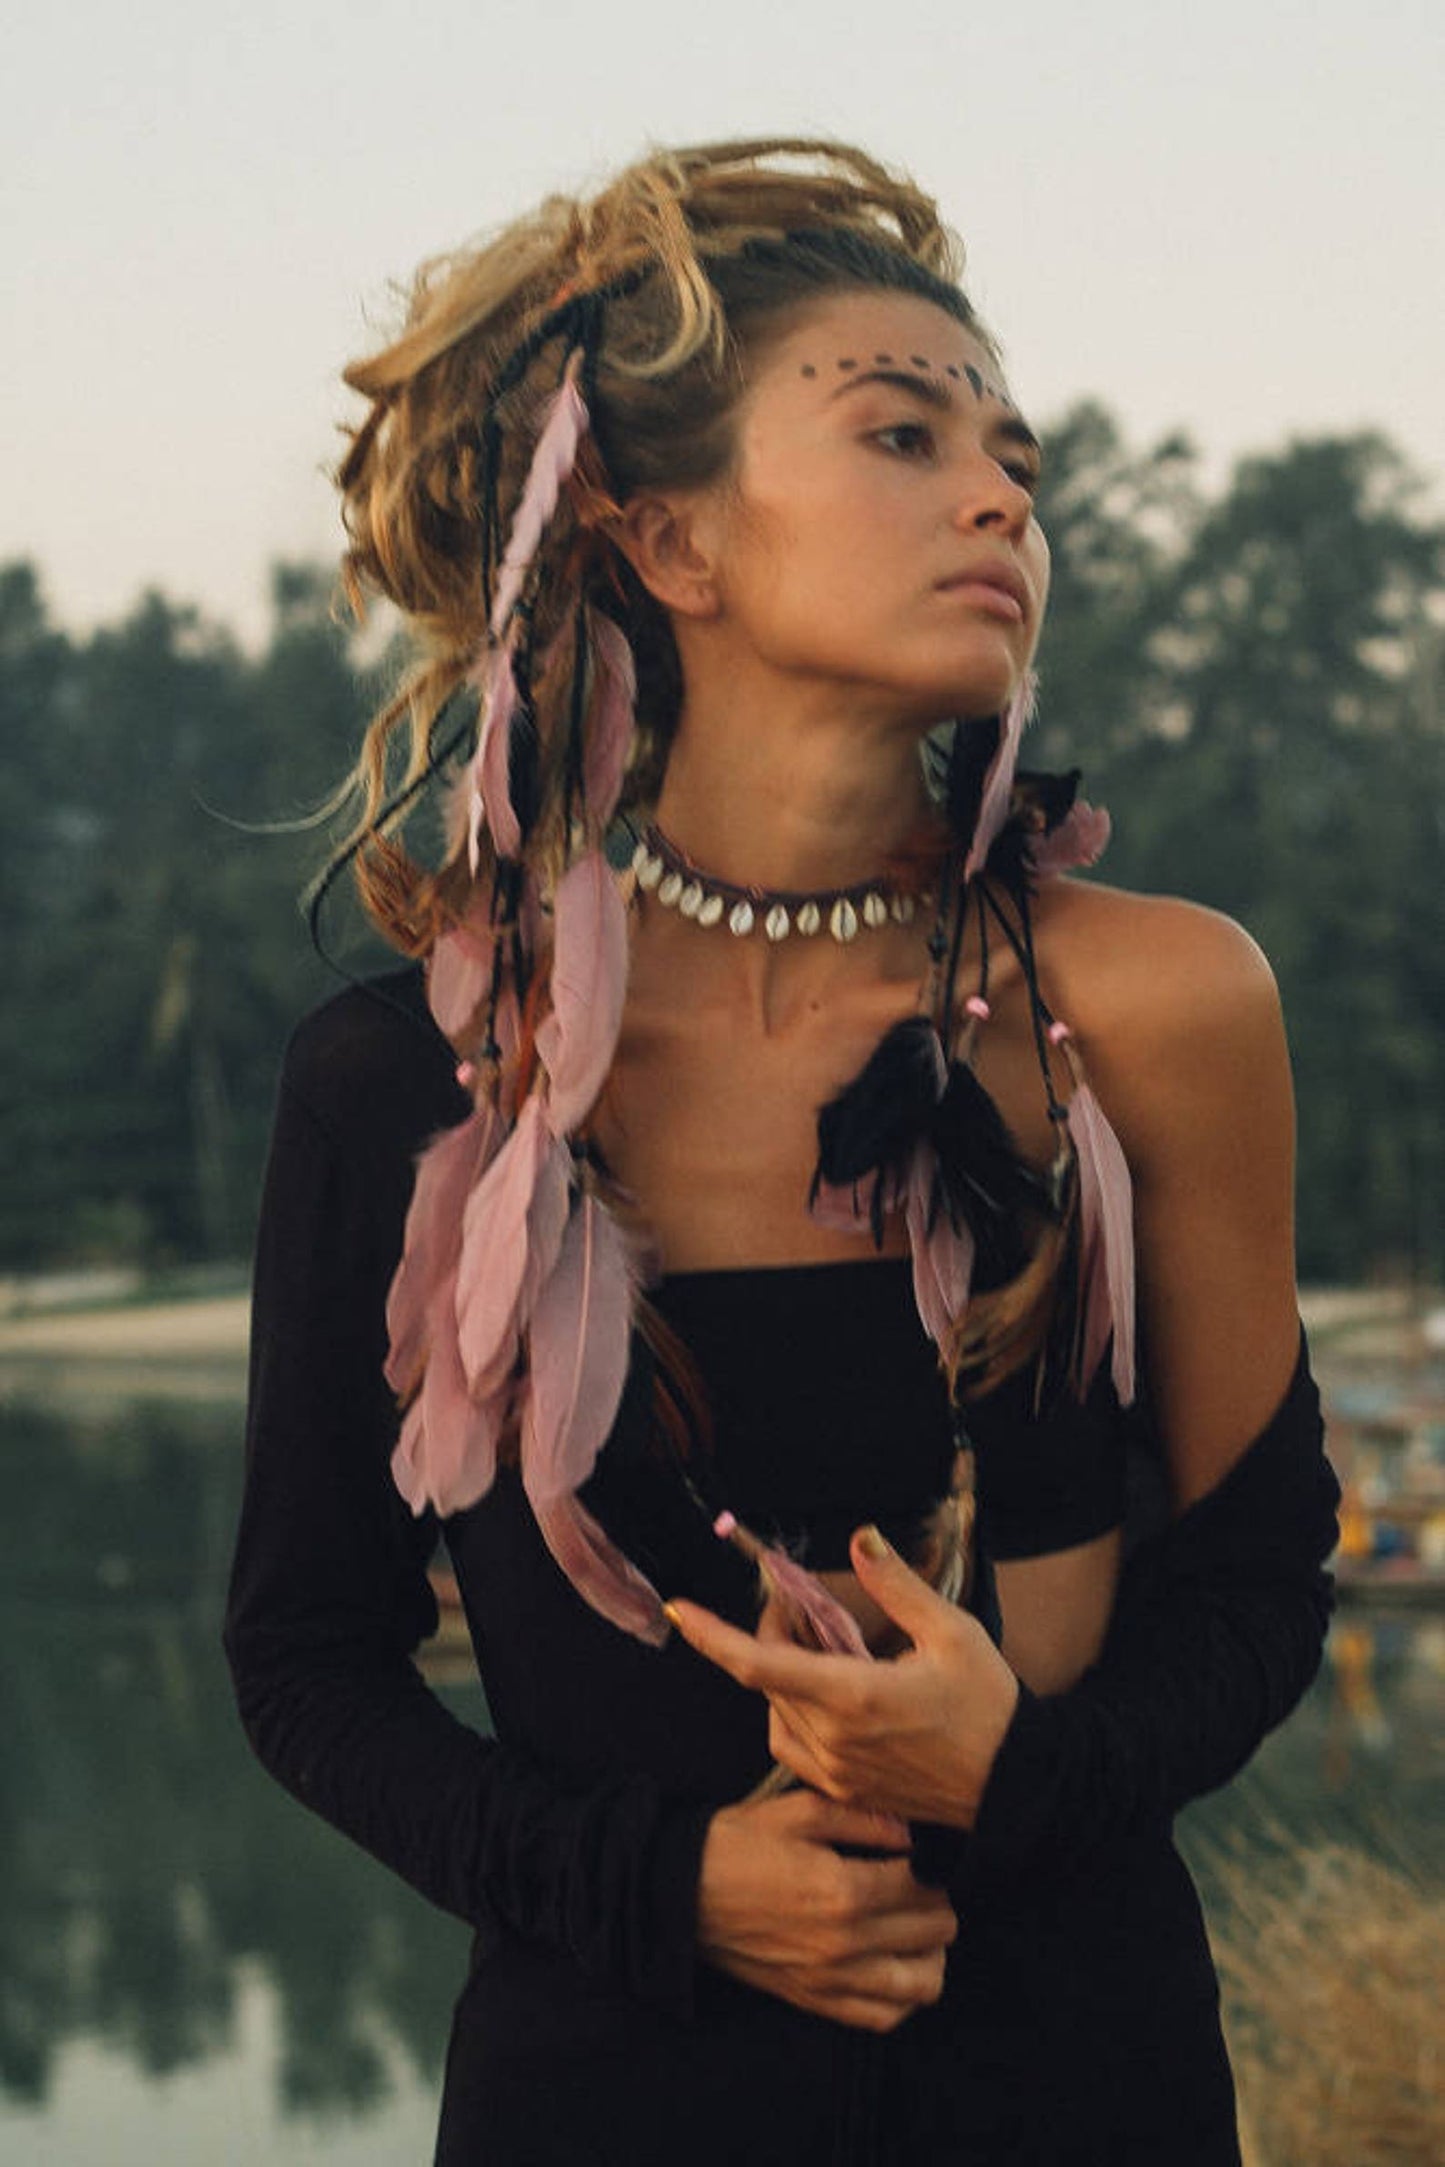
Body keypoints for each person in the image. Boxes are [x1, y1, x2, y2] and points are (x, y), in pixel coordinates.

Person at [224, 139, 1339, 2165]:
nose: (1006, 494)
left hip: (1075, 2091)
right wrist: (665, 1886)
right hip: (607, 2099)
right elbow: (309, 1661)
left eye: (1015, 455)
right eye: (903, 434)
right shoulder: (409, 1079)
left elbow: (1258, 1584)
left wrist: (1023, 1770)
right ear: (670, 543)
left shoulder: (1155, 1009)